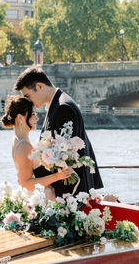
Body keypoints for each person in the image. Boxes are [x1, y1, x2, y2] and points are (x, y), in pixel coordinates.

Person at [13, 66, 102, 196]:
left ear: (39, 86)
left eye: (28, 96)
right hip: (65, 189)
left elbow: (68, 157)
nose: (29, 102)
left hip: (71, 192)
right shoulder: (57, 104)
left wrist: (31, 176)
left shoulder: (63, 107)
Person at [0, 95, 74, 196]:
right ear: (20, 118)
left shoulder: (18, 139)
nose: (37, 118)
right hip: (37, 198)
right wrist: (58, 176)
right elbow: (26, 184)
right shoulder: (23, 146)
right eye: (33, 114)